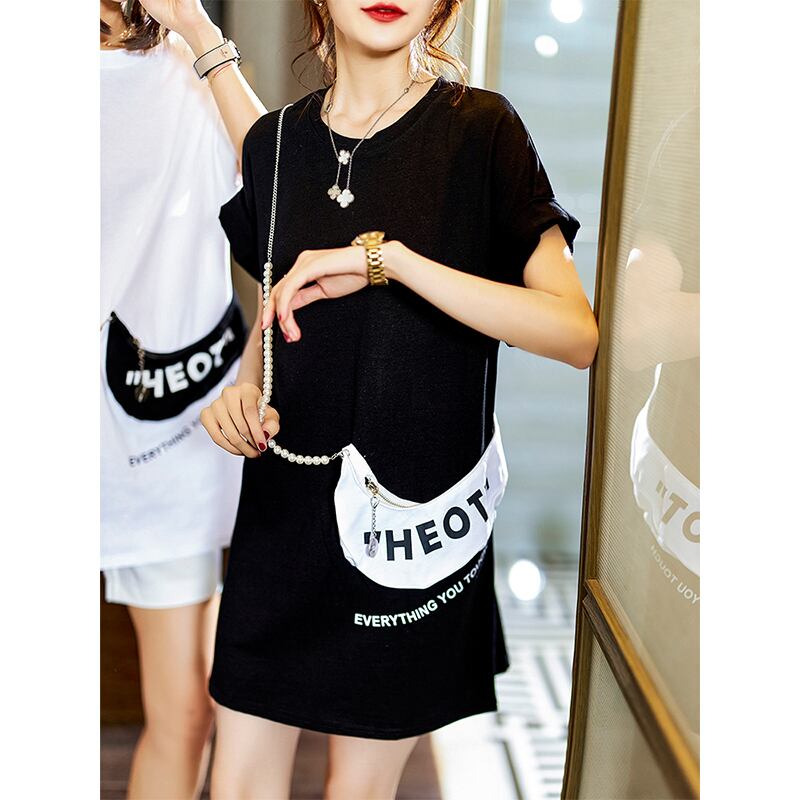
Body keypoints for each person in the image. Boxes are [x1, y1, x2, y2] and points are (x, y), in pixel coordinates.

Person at [200, 0, 599, 797]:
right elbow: (279, 312)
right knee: (240, 783)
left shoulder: (481, 130)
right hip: (282, 521)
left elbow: (574, 332)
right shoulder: (275, 143)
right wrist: (239, 395)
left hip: (411, 536)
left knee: (358, 790)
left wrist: (390, 262)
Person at [99, 1, 265, 797]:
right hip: (127, 436)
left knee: (190, 711)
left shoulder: (181, 68)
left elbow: (283, 186)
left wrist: (199, 33)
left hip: (174, 440)